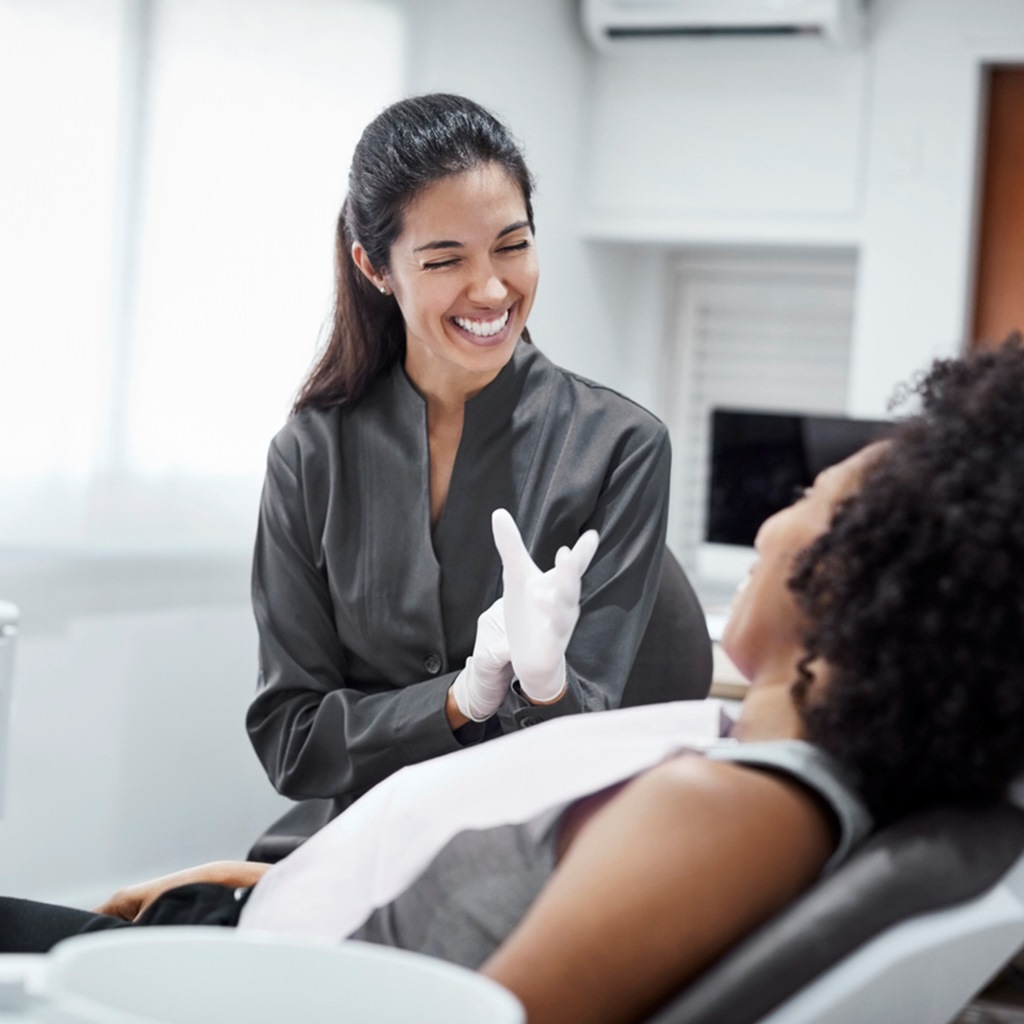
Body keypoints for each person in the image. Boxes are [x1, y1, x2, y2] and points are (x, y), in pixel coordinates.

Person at [5, 341, 1024, 1024]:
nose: (766, 524)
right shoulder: (733, 759)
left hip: (260, 989)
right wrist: (258, 884)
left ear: (867, 567)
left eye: (809, 497)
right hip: (269, 940)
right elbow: (469, 895)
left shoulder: (727, 810)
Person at [245, 92, 709, 853]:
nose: (492, 290)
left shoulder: (620, 450)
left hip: (527, 855)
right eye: (446, 259)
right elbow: (292, 741)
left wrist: (547, 683)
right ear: (375, 267)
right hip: (356, 843)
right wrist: (457, 700)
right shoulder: (309, 457)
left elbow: (585, 746)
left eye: (512, 245)